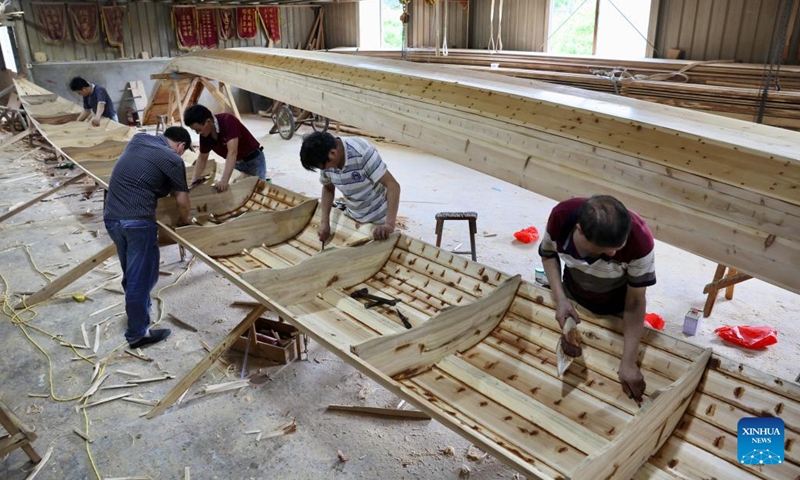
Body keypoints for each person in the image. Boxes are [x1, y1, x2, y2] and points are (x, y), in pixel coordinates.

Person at [538, 195, 655, 402]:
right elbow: (548, 254)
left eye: (618, 247)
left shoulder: (640, 239)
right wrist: (561, 299)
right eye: (605, 248)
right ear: (580, 229)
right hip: (572, 294)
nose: (613, 252)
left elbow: (636, 301)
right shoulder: (561, 217)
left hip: (617, 307)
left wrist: (628, 362)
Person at [103, 127, 194, 349]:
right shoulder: (173, 159)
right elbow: (182, 201)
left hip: (112, 216)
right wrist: (185, 222)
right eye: (182, 151)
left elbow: (143, 171)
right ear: (181, 146)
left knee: (131, 271)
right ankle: (137, 333)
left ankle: (138, 312)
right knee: (142, 278)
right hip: (137, 222)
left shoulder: (138, 139)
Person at [300, 131, 401, 242]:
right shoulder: (324, 159)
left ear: (333, 153)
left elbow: (393, 186)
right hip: (352, 216)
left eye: (323, 167)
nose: (324, 170)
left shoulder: (363, 152)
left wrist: (389, 224)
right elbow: (328, 188)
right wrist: (324, 222)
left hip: (378, 218)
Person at [183, 104, 267, 192]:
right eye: (195, 131)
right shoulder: (205, 134)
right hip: (236, 163)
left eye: (199, 129)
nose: (197, 133)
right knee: (240, 192)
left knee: (258, 191)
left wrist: (224, 180)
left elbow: (232, 152)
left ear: (208, 122)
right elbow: (202, 158)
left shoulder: (228, 120)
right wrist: (194, 182)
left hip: (253, 160)